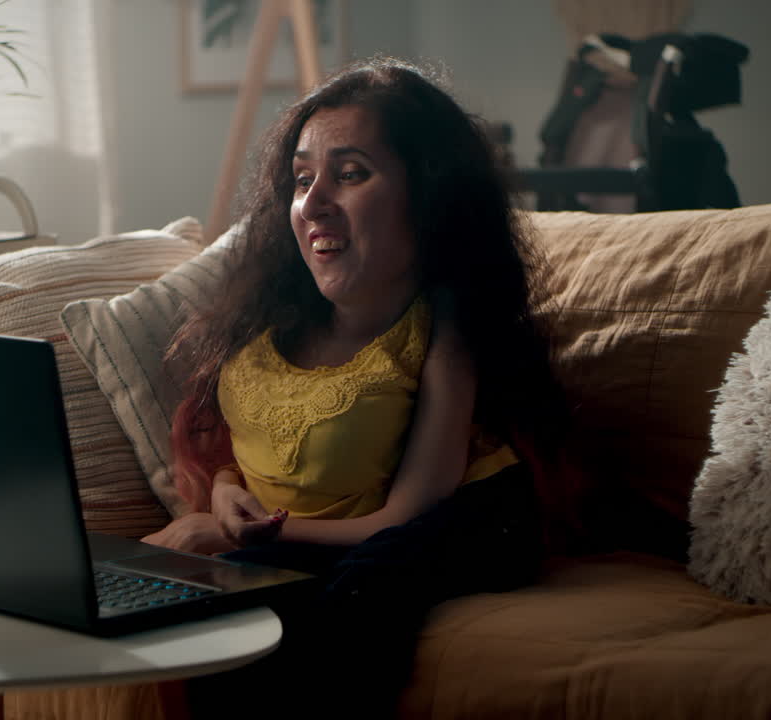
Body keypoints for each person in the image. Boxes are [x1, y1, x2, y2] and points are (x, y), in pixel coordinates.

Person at [153, 55, 574, 718]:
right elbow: (234, 455)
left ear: (429, 196)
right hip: (294, 546)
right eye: (300, 179)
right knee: (193, 602)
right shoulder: (265, 323)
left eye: (350, 174)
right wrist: (229, 498)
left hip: (456, 526)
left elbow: (405, 519)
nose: (313, 202)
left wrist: (239, 540)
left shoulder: (447, 329)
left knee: (362, 585)